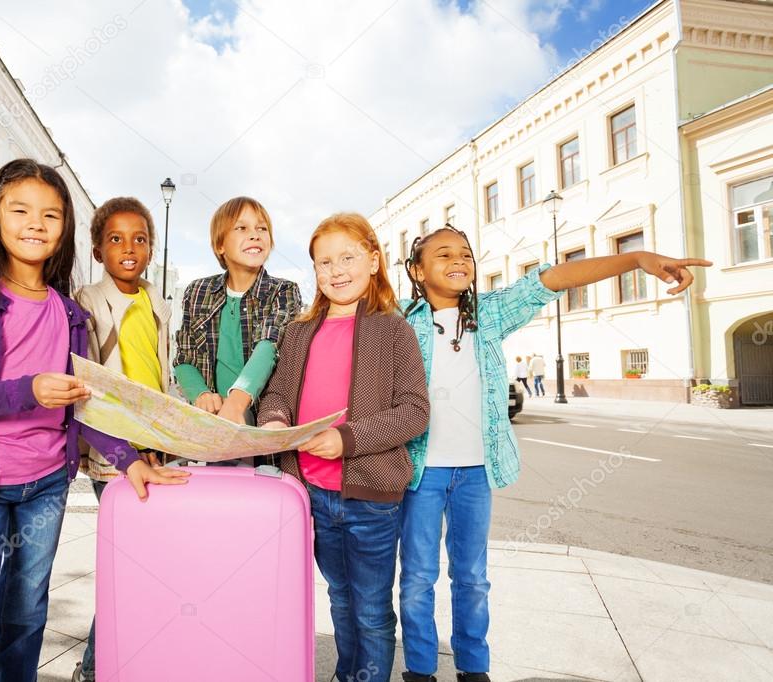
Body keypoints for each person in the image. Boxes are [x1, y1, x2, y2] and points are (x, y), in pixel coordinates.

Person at [397, 225, 711, 682]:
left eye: (465, 253)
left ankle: (473, 669)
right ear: (416, 270)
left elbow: (555, 278)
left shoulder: (489, 314)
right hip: (419, 472)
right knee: (417, 579)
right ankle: (420, 671)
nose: (459, 260)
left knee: (472, 578)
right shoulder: (398, 321)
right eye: (443, 254)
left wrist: (637, 258)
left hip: (476, 472)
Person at [0, 159, 186, 681]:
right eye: (20, 210)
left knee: (23, 621)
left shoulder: (67, 312)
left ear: (64, 229)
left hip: (45, 486)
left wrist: (129, 461)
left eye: (51, 215)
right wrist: (29, 390)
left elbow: (83, 404)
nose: (35, 223)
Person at [258, 212, 429, 682]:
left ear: (373, 260)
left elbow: (414, 411)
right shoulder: (299, 331)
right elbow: (277, 393)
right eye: (323, 262)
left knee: (372, 608)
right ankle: (347, 673)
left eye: (347, 257)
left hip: (371, 499)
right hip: (311, 494)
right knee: (337, 594)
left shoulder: (394, 331)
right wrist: (274, 418)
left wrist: (347, 439)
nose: (336, 270)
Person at [72, 196, 175, 682]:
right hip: (115, 455)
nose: (129, 248)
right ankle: (95, 670)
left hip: (156, 443)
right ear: (98, 250)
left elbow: (162, 372)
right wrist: (125, 449)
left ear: (151, 248)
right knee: (129, 570)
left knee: (151, 568)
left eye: (139, 239)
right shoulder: (86, 303)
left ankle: (136, 662)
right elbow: (87, 387)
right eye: (116, 239)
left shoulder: (157, 301)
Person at [173, 196, 301, 463]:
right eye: (241, 228)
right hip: (211, 425)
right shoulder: (197, 292)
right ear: (220, 245)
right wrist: (201, 395)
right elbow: (184, 359)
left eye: (262, 228)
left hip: (262, 424)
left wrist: (236, 403)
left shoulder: (283, 291)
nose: (255, 235)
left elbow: (270, 344)